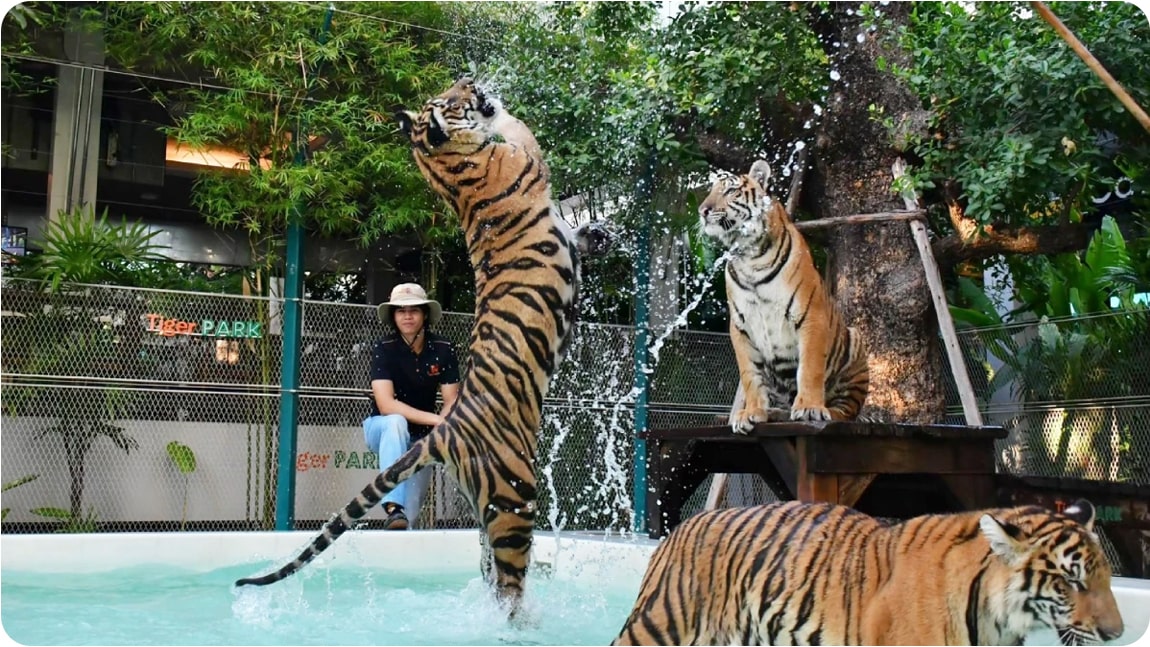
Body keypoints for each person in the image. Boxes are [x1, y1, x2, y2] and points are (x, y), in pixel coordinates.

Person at [363, 283, 460, 530]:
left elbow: (451, 401)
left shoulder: (444, 349)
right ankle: (392, 505)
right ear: (393, 316)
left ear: (425, 314)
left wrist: (441, 427)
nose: (407, 316)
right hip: (382, 428)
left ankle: (399, 523)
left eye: (414, 310)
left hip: (422, 437)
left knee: (410, 517)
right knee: (397, 422)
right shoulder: (383, 348)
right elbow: (386, 405)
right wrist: (436, 420)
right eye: (400, 311)